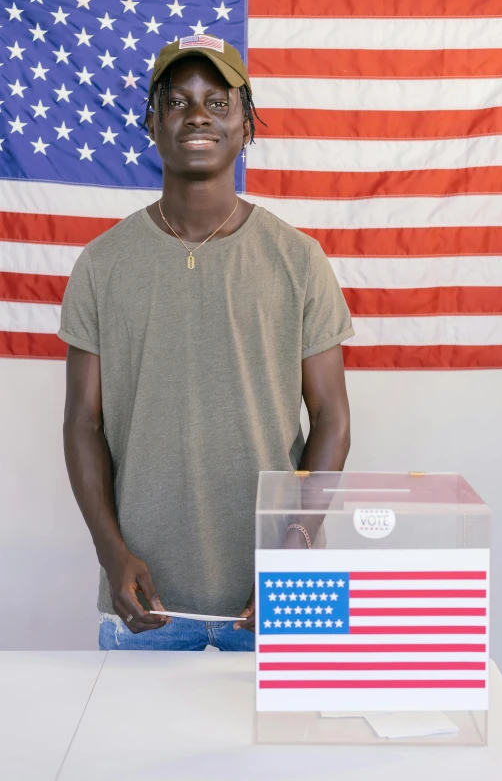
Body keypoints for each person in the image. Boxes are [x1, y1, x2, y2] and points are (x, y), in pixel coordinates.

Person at [59, 36, 354, 652]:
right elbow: (83, 423)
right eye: (177, 101)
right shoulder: (101, 263)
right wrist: (111, 555)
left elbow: (331, 417)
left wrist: (294, 550)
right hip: (143, 597)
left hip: (278, 592)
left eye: (218, 102)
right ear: (151, 123)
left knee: (296, 752)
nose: (198, 114)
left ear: (247, 126)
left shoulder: (298, 259)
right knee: (133, 752)